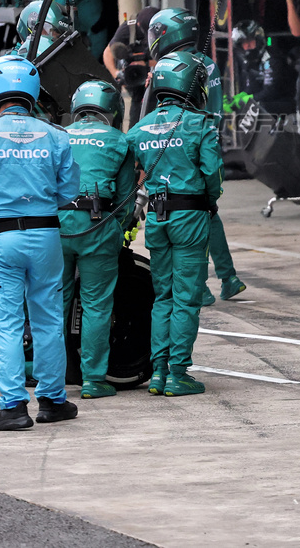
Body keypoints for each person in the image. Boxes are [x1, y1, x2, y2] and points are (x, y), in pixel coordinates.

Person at [0, 55, 80, 430]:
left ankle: (13, 406)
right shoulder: (57, 135)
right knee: (47, 320)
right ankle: (53, 401)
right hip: (46, 237)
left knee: (7, 325)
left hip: (1, 236)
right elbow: (69, 190)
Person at [128, 51, 222, 397]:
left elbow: (129, 168)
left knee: (162, 296)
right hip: (190, 215)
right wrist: (211, 201)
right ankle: (177, 373)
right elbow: (212, 175)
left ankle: (157, 373)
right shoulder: (200, 124)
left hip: (156, 217)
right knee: (186, 298)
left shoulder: (140, 128)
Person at [147, 8, 246, 301]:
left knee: (193, 217)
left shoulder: (172, 65)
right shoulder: (207, 63)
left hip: (181, 149)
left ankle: (200, 286)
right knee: (209, 213)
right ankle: (228, 277)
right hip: (206, 144)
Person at [59, 80, 136, 399]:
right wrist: (114, 230)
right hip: (97, 224)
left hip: (56, 224)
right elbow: (126, 202)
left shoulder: (57, 135)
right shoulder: (120, 140)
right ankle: (92, 380)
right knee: (96, 304)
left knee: (52, 302)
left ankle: (51, 373)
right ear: (114, 112)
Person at [105, 6, 158, 127]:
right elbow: (107, 52)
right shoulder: (127, 29)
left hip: (155, 71)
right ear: (139, 24)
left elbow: (170, 56)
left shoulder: (163, 27)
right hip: (134, 75)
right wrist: (117, 74)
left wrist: (146, 64)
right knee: (136, 103)